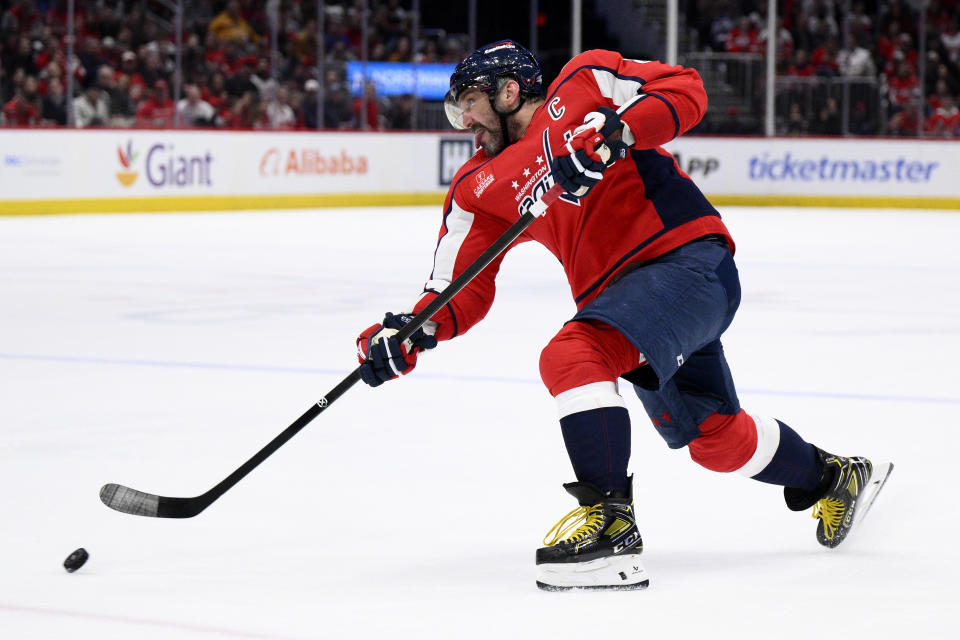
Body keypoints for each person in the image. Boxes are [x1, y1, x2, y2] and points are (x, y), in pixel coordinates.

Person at [354, 40, 892, 591]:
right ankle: (834, 478)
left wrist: (619, 131)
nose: (463, 119)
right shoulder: (477, 188)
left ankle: (612, 529)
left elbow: (685, 88)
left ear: (508, 91)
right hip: (631, 306)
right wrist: (410, 333)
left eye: (469, 101)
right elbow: (457, 287)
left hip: (686, 262)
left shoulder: (584, 81)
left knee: (571, 354)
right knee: (715, 440)